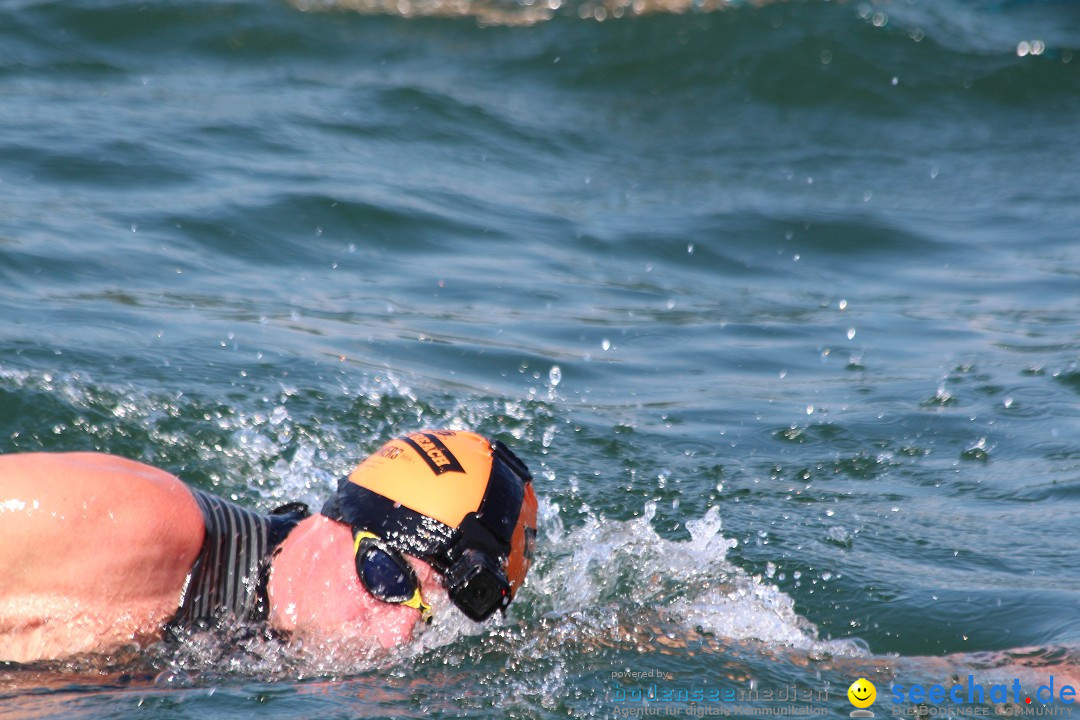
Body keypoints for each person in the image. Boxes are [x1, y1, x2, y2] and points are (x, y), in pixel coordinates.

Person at [0, 429, 538, 664]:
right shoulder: (149, 524)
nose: (396, 636)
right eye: (386, 578)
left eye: (428, 617)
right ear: (340, 520)